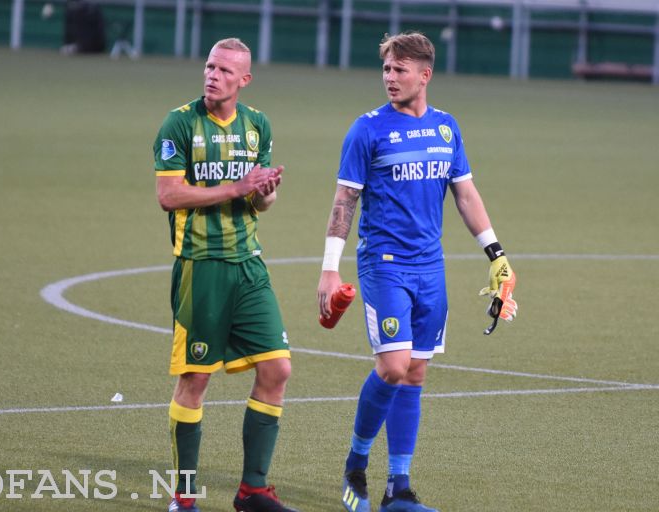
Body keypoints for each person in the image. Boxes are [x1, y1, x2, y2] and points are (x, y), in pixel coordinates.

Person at [317, 32, 518, 512]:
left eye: (399, 69)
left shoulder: (446, 129)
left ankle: (398, 489)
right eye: (386, 69)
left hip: (431, 268)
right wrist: (329, 268)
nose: (390, 77)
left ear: (424, 75)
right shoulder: (366, 130)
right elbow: (345, 201)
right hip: (384, 265)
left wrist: (497, 254)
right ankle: (355, 467)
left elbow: (465, 194)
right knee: (392, 366)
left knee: (415, 373)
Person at [153, 38, 297, 512]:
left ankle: (252, 490)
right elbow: (170, 196)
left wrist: (265, 190)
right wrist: (238, 185)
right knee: (195, 380)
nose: (212, 75)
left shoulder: (258, 126)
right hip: (201, 267)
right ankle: (185, 498)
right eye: (210, 66)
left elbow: (259, 203)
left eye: (224, 70)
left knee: (277, 369)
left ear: (244, 80)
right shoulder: (179, 122)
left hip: (249, 264)